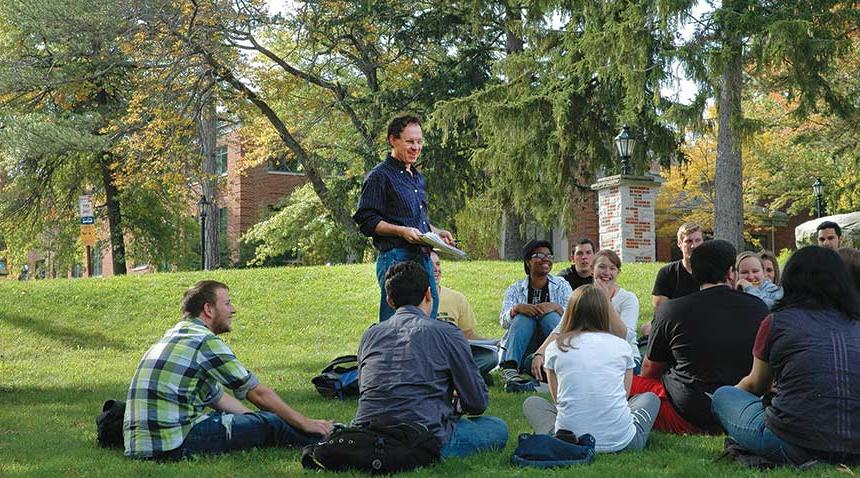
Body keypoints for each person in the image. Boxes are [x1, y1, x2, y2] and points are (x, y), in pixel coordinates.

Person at [123, 281, 332, 460]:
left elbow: (218, 398)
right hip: (172, 443)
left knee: (267, 422)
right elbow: (257, 394)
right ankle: (333, 437)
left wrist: (255, 421)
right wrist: (304, 423)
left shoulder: (175, 336)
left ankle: (330, 432)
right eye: (227, 303)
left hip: (140, 445)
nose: (233, 310)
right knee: (274, 421)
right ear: (209, 309)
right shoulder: (203, 341)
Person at [712, 246, 860, 466]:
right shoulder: (855, 323)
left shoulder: (777, 322)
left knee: (723, 396)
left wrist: (729, 402)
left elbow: (755, 385)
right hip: (854, 446)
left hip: (791, 442)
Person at [353, 261, 508, 458]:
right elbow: (476, 403)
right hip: (424, 436)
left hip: (368, 432)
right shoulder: (447, 333)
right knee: (497, 427)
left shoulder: (370, 335)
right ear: (428, 294)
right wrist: (452, 404)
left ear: (390, 300)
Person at [632, 240, 769, 434]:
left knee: (624, 382)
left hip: (687, 413)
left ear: (694, 273)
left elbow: (650, 369)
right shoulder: (759, 308)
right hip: (742, 408)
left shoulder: (671, 310)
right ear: (731, 272)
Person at [522, 285, 660, 453]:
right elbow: (623, 395)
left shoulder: (556, 348)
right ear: (605, 312)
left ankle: (556, 437)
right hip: (622, 442)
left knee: (532, 403)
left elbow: (557, 398)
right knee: (650, 399)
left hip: (568, 438)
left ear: (571, 312)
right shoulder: (622, 347)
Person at [353, 113, 454, 322]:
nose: (415, 147)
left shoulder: (416, 177)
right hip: (395, 257)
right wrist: (401, 231)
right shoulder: (379, 176)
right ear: (393, 140)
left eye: (419, 142)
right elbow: (366, 219)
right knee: (396, 322)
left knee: (428, 317)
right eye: (409, 142)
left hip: (422, 256)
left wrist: (437, 232)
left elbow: (414, 221)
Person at [531, 249, 642, 378]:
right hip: (587, 356)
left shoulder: (628, 299)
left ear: (618, 272)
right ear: (591, 269)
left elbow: (625, 336)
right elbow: (561, 329)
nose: (607, 272)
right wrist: (539, 353)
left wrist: (605, 301)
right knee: (534, 361)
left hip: (623, 359)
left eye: (612, 268)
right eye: (602, 267)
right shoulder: (580, 296)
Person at [498, 240, 573, 392]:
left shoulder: (562, 285)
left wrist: (556, 307)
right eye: (539, 255)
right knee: (522, 318)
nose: (545, 259)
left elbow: (573, 318)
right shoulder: (515, 289)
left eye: (549, 255)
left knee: (551, 317)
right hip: (524, 348)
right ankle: (510, 369)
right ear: (528, 261)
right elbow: (503, 322)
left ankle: (561, 364)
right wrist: (516, 309)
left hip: (549, 348)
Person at [430, 250, 498, 379]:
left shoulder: (457, 298)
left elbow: (468, 334)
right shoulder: (416, 298)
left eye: (438, 265)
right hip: (430, 355)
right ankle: (466, 377)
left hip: (454, 354)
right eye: (430, 265)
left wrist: (493, 343)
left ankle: (451, 377)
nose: (436, 269)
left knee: (490, 357)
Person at [642, 222, 704, 337]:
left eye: (697, 240)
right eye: (688, 241)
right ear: (680, 244)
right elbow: (660, 312)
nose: (693, 246)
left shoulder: (712, 272)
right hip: (676, 328)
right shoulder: (667, 273)